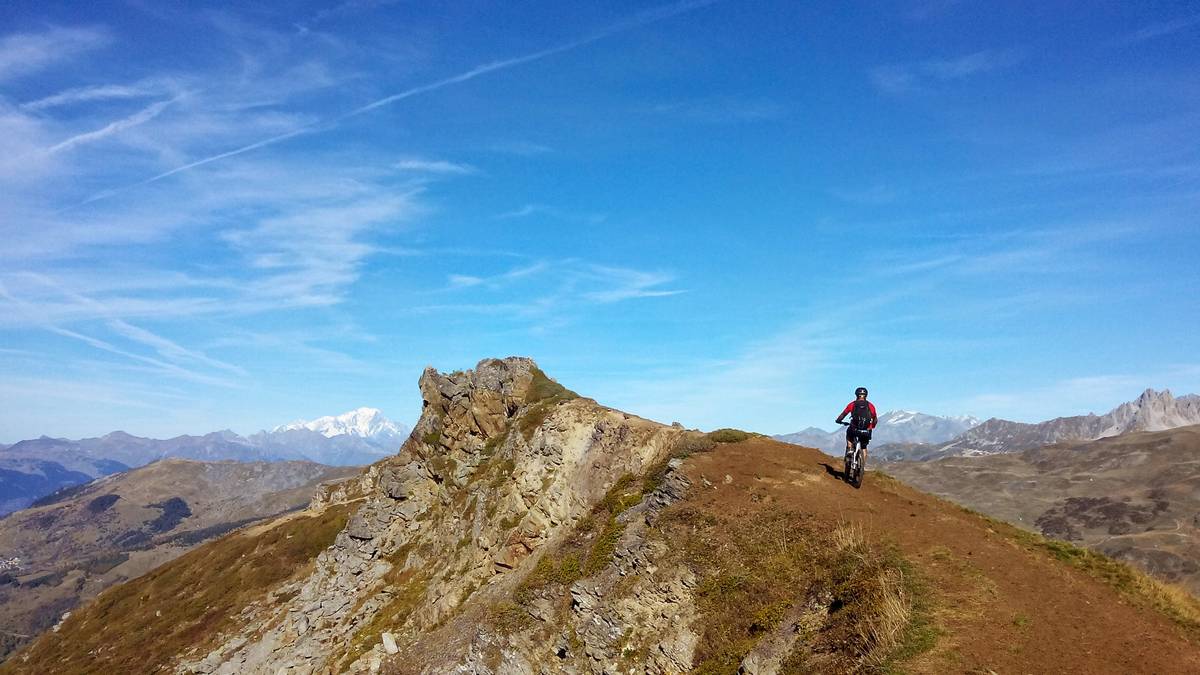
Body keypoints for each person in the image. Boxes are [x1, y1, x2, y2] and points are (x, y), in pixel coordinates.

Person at [835, 387, 877, 465]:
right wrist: (872, 426)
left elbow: (843, 414)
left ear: (856, 395)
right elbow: (875, 419)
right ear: (866, 395)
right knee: (864, 447)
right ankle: (862, 466)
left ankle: (850, 449)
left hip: (854, 429)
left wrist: (838, 421)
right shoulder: (871, 405)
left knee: (849, 436)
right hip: (867, 430)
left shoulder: (852, 404)